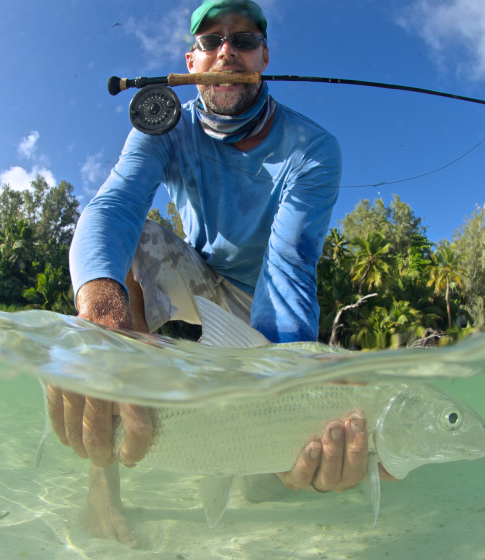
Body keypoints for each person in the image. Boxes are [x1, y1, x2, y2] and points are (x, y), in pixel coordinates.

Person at [46, 0, 385, 547]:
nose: (227, 49)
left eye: (244, 39)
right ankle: (102, 482)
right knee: (137, 241)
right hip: (197, 276)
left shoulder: (314, 148)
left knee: (268, 482)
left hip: (265, 303)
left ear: (264, 56)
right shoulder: (164, 125)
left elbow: (290, 263)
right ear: (191, 60)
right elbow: (114, 207)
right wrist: (101, 312)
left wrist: (284, 388)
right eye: (210, 41)